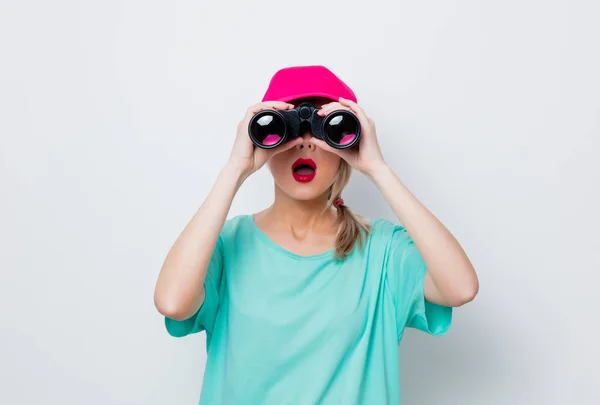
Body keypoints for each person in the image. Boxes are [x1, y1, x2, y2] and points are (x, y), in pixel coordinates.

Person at [154, 65, 479, 405]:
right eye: (288, 128)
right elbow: (172, 303)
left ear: (348, 143)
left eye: (326, 131)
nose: (305, 144)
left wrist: (377, 168)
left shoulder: (382, 251)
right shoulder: (227, 245)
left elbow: (461, 287)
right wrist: (235, 169)